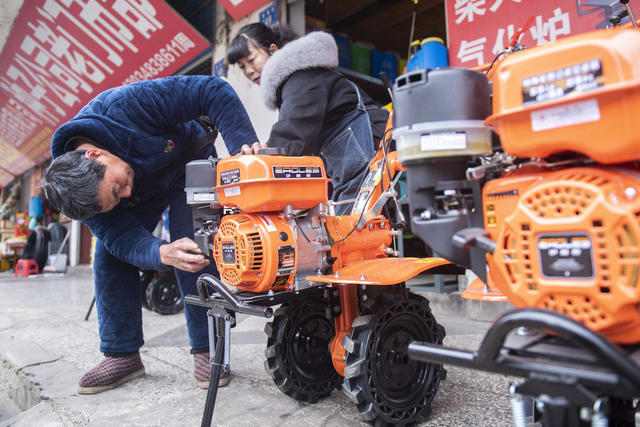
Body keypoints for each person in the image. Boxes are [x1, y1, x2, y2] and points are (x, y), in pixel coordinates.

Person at [41, 75, 257, 394]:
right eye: (114, 199)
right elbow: (121, 238)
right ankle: (122, 354)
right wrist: (161, 252)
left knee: (198, 246)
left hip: (189, 160)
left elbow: (212, 89)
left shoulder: (124, 106)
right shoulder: (80, 195)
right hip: (150, 192)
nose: (124, 194)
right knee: (109, 256)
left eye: (116, 188)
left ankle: (209, 349)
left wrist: (245, 152)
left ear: (95, 155)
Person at [226, 23, 390, 214]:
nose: (249, 71)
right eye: (242, 66)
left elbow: (293, 132)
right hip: (355, 156)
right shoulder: (294, 81)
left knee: (353, 229)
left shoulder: (302, 77)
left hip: (371, 145)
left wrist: (263, 154)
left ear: (273, 50)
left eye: (251, 60)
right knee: (355, 226)